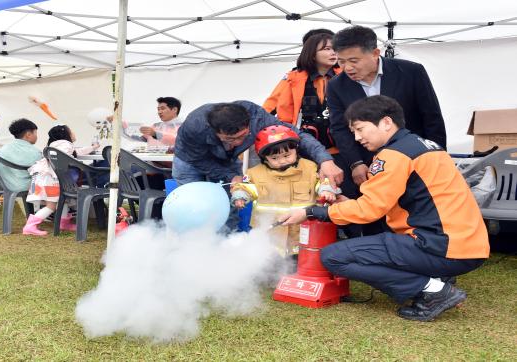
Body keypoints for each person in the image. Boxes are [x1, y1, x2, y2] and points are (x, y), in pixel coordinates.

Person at [278, 95, 489, 321]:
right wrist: (350, 205)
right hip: (469, 245)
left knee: (333, 257)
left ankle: (433, 290)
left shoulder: (392, 155)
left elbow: (369, 211)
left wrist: (311, 212)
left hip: (440, 245)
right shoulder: (428, 146)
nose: (357, 138)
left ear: (386, 122)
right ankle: (436, 277)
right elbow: (403, 199)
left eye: (360, 129)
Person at [326, 26, 446, 223]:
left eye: (354, 61)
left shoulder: (411, 72)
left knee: (416, 210)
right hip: (369, 164)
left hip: (414, 159)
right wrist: (356, 163)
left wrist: (438, 156)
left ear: (375, 53)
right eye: (341, 61)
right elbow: (339, 128)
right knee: (376, 214)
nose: (347, 68)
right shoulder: (336, 85)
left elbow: (431, 117)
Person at [172, 101, 343, 229]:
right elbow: (198, 160)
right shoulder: (195, 126)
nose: (236, 144)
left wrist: (325, 160)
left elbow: (296, 134)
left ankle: (226, 248)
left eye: (243, 136)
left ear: (249, 124)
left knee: (229, 202)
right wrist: (230, 176)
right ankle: (192, 250)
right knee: (193, 206)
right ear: (213, 130)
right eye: (229, 139)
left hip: (227, 160)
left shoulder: (257, 117)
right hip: (190, 161)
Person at [230, 125, 340, 266]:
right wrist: (240, 196)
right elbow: (245, 187)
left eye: (287, 155)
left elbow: (322, 181)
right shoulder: (255, 173)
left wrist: (326, 190)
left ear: (296, 149)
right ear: (264, 157)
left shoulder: (310, 167)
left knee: (300, 259)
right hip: (270, 230)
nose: (281, 161)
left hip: (301, 229)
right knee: (268, 260)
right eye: (274, 158)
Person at [23, 125, 99, 236]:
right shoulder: (65, 144)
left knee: (63, 200)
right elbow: (65, 156)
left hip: (45, 178)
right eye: (71, 131)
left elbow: (77, 152)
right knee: (51, 206)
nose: (74, 133)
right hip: (50, 179)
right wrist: (74, 163)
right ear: (66, 134)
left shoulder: (56, 145)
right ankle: (30, 226)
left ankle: (63, 223)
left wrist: (92, 148)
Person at [0, 118, 43, 193]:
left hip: (2, 184)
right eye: (35, 133)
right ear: (28, 134)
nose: (37, 136)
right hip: (22, 186)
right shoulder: (34, 152)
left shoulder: (3, 149)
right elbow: (40, 172)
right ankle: (48, 205)